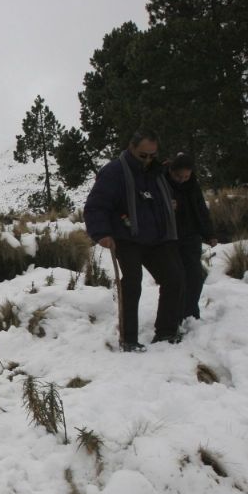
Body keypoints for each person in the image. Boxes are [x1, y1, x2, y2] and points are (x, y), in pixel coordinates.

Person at [84, 130, 184, 352]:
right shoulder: (113, 172)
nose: (148, 160)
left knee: (174, 277)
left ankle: (166, 331)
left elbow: (158, 200)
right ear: (131, 147)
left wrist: (169, 205)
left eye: (152, 155)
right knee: (131, 283)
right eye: (143, 155)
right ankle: (128, 339)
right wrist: (101, 233)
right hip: (126, 237)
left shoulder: (158, 173)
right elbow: (96, 205)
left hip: (158, 238)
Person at [165, 153, 217, 321]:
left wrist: (209, 233)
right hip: (169, 238)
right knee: (177, 278)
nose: (182, 179)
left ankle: (191, 314)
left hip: (191, 236)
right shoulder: (160, 182)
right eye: (179, 176)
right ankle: (175, 315)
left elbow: (201, 209)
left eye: (186, 176)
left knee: (195, 277)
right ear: (171, 171)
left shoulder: (193, 185)